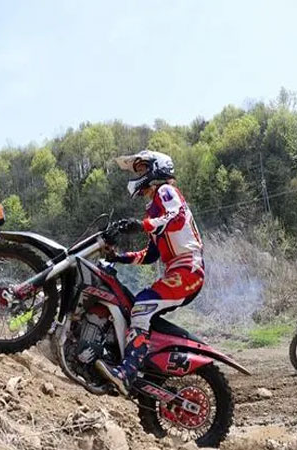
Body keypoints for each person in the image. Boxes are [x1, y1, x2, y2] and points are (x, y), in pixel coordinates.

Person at [95, 150, 204, 395]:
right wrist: (118, 257)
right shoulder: (154, 207)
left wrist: (140, 225)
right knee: (133, 304)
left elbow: (176, 218)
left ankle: (127, 373)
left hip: (188, 268)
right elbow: (150, 255)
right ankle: (140, 359)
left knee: (142, 305)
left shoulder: (166, 191)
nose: (140, 174)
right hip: (180, 270)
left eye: (143, 168)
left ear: (157, 168)